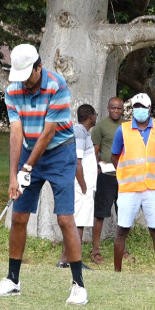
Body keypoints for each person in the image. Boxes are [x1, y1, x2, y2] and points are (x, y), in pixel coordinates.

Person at [0, 44, 88, 305]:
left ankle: (78, 286)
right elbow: (16, 133)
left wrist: (27, 168)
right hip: (29, 152)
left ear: (39, 67)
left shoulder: (57, 85)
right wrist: (13, 176)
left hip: (59, 154)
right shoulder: (13, 90)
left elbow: (48, 132)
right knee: (18, 216)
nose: (26, 84)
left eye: (29, 76)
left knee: (65, 219)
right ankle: (12, 280)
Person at [111, 93, 155, 276]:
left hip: (152, 188)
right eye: (136, 106)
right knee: (122, 230)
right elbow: (115, 155)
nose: (139, 110)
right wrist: (125, 173)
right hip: (129, 188)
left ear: (149, 109)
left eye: (142, 107)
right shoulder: (123, 130)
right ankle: (117, 272)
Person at [57, 104, 98, 269]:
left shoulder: (82, 132)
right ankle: (75, 261)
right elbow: (77, 162)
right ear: (90, 117)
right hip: (81, 186)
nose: (96, 117)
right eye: (95, 114)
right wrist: (83, 186)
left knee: (74, 223)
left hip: (82, 185)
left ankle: (64, 260)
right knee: (78, 224)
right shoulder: (80, 132)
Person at [89, 97, 129, 265]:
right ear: (108, 108)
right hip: (106, 177)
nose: (116, 111)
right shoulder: (100, 127)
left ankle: (122, 248)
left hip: (125, 176)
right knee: (100, 214)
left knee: (124, 214)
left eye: (119, 108)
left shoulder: (128, 127)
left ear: (122, 110)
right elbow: (94, 152)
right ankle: (95, 250)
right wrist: (98, 165)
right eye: (113, 108)